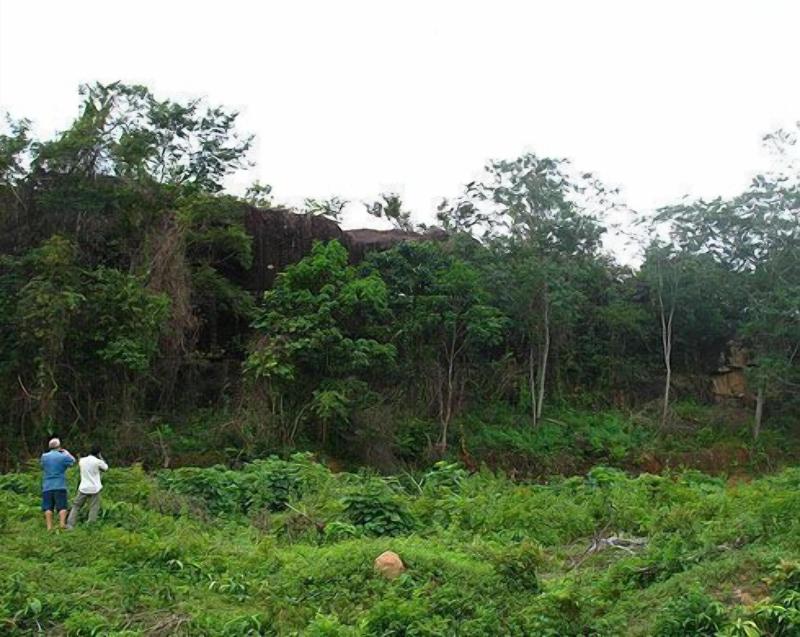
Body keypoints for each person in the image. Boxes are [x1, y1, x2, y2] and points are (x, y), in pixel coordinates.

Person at [67, 444, 109, 529]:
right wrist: (101, 458)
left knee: (76, 506)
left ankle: (70, 525)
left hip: (83, 487)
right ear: (98, 453)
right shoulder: (98, 461)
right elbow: (105, 468)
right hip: (95, 488)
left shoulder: (82, 460)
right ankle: (90, 525)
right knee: (94, 507)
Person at [40, 438, 76, 530]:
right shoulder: (63, 457)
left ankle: (49, 527)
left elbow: (42, 465)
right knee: (62, 507)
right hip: (60, 484)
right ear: (59, 447)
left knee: (48, 508)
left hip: (47, 485)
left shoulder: (44, 456)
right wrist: (66, 453)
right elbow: (73, 461)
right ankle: (62, 525)